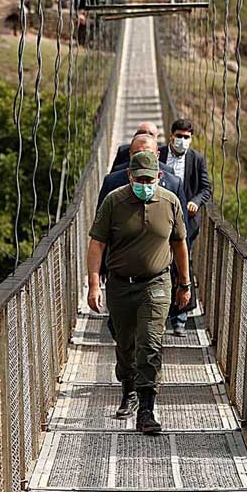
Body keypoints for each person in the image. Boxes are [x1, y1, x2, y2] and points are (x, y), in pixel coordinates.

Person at [87, 150, 190, 434]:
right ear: (130, 176)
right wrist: (94, 284)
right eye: (139, 178)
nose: (145, 183)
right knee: (125, 344)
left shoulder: (170, 202)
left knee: (150, 341)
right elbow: (96, 244)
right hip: (120, 285)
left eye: (150, 178)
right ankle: (128, 388)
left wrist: (184, 283)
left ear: (159, 177)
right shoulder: (114, 201)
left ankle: (147, 409)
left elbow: (179, 244)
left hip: (156, 283)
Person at [160, 119, 212, 336]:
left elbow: (206, 189)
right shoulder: (159, 154)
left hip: (185, 223)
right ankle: (159, 315)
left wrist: (196, 201)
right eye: (179, 136)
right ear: (171, 136)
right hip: (160, 219)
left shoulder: (197, 159)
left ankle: (180, 316)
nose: (182, 141)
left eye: (187, 137)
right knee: (161, 264)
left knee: (182, 265)